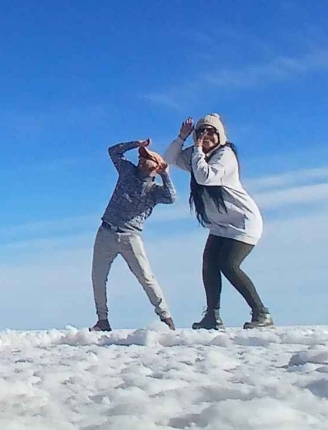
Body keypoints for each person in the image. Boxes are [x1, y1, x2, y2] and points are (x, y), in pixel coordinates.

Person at [164, 114, 273, 330]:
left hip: (243, 221)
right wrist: (181, 137)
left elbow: (206, 176)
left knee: (228, 264)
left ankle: (261, 314)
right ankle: (212, 317)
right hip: (220, 225)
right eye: (201, 132)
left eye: (211, 132)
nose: (205, 136)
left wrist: (196, 149)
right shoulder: (197, 156)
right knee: (209, 265)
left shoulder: (225, 155)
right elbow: (168, 159)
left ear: (220, 135)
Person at [90, 138, 176, 332]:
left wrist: (166, 175)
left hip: (131, 237)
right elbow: (113, 151)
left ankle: (166, 318)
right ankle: (102, 320)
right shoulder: (127, 171)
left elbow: (171, 197)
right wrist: (135, 144)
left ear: (157, 165)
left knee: (146, 277)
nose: (141, 158)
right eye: (141, 155)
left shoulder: (155, 191)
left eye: (146, 157)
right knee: (98, 277)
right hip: (106, 231)